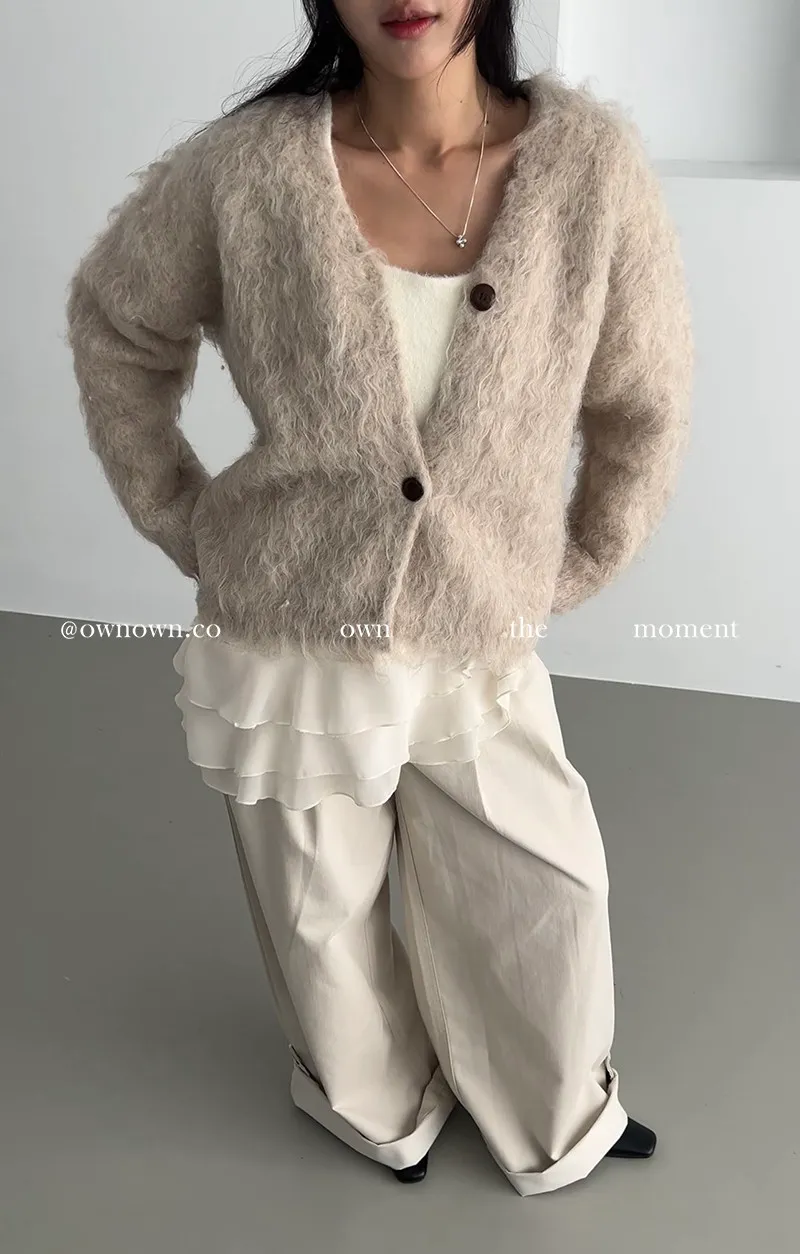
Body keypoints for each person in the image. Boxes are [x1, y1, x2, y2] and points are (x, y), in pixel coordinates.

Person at [65, 0, 693, 1197]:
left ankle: (556, 1107)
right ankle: (376, 1108)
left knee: (541, 884)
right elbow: (116, 323)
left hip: (474, 619)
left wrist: (570, 560)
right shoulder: (245, 170)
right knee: (320, 908)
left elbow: (642, 396)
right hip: (288, 615)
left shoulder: (587, 169)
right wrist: (183, 515)